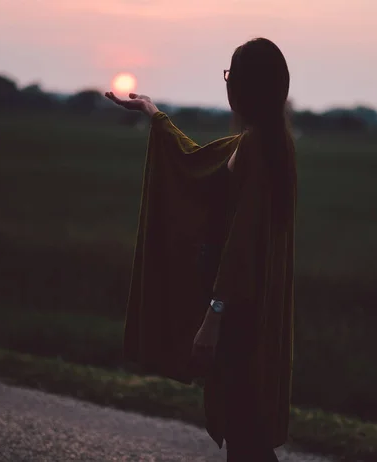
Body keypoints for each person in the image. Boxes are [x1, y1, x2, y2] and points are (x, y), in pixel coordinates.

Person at [106, 37, 296, 462]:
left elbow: (242, 244)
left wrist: (214, 316)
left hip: (240, 318)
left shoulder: (256, 149)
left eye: (230, 75)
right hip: (247, 311)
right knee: (246, 435)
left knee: (247, 437)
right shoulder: (267, 143)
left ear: (242, 88)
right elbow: (196, 161)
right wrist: (153, 113)